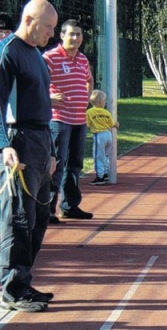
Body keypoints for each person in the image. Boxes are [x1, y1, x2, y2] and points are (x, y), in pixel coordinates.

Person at [0, 0, 58, 312]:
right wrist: (4, 145)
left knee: (37, 218)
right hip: (18, 139)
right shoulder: (7, 51)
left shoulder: (36, 54)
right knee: (18, 219)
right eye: (48, 27)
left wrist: (51, 151)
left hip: (40, 140)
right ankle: (11, 288)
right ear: (29, 20)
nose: (53, 33)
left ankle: (23, 280)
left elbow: (43, 106)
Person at [43, 19, 94, 223]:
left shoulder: (82, 59)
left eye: (79, 34)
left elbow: (89, 80)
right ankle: (47, 210)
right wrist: (49, 99)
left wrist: (87, 99)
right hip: (58, 120)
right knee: (56, 165)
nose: (75, 38)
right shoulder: (50, 58)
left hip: (79, 120)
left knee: (75, 164)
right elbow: (36, 85)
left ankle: (70, 206)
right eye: (71, 34)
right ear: (62, 35)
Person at [86, 90, 119, 185]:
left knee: (98, 155)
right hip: (108, 134)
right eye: (104, 100)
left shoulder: (89, 112)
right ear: (100, 102)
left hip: (99, 135)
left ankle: (99, 176)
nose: (105, 102)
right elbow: (112, 124)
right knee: (105, 155)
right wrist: (116, 125)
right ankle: (105, 172)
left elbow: (87, 124)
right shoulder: (106, 112)